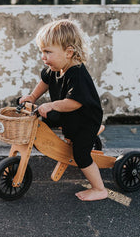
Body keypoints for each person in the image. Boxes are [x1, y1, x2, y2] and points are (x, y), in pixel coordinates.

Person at [20, 19, 108, 201]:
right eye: (42, 52)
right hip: (70, 118)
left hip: (85, 120)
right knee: (45, 117)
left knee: (81, 155)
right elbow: (45, 81)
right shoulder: (55, 68)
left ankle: (99, 189)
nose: (43, 57)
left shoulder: (77, 74)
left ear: (69, 52)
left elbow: (75, 103)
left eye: (48, 52)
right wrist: (32, 97)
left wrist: (51, 105)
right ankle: (68, 138)